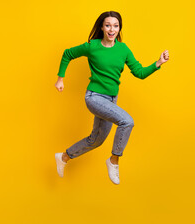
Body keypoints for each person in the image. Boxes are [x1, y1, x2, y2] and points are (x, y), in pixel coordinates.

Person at [54, 11, 169, 185]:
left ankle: (63, 157)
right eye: (108, 25)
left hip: (110, 100)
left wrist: (158, 63)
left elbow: (139, 72)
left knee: (96, 140)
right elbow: (68, 53)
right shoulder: (92, 46)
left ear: (119, 28)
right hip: (94, 97)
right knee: (127, 121)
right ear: (102, 27)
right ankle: (114, 160)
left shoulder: (123, 49)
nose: (111, 29)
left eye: (115, 26)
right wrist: (60, 78)